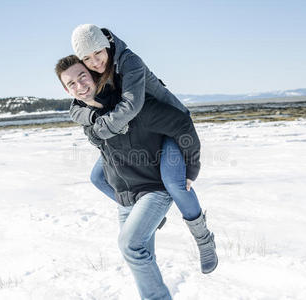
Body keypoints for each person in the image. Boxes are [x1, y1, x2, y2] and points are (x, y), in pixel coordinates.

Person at [69, 24, 218, 274]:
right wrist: (93, 120)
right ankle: (151, 215)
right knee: (98, 177)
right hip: (136, 132)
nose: (94, 62)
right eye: (87, 58)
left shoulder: (129, 62)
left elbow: (131, 106)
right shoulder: (91, 71)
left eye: (98, 53)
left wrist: (192, 166)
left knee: (174, 182)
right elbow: (75, 106)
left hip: (168, 125)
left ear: (107, 43)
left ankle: (204, 239)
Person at [55, 55, 205, 299]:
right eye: (71, 84)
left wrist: (190, 167)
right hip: (127, 194)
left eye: (82, 76)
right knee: (142, 253)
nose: (79, 85)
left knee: (130, 246)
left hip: (154, 188)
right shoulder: (85, 114)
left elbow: (180, 122)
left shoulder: (128, 103)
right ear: (66, 90)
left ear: (93, 74)